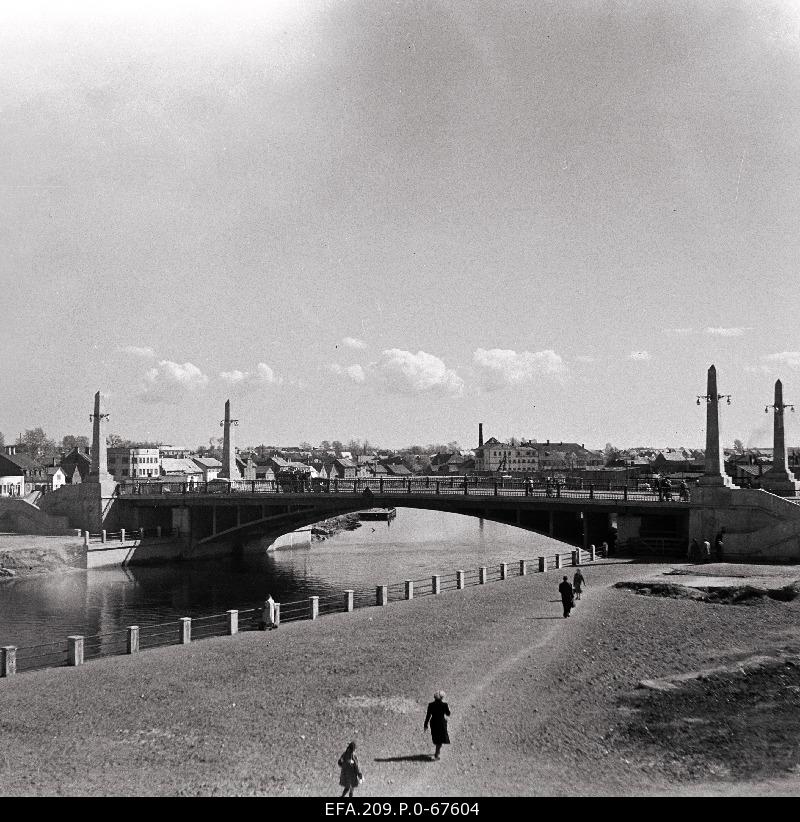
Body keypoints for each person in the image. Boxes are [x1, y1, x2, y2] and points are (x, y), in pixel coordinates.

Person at [424, 690, 451, 760]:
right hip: (441, 723)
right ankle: (437, 754)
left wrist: (425, 724)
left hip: (433, 723)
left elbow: (428, 715)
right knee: (440, 739)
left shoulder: (431, 705)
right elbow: (448, 714)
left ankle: (437, 752)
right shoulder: (444, 705)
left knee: (436, 738)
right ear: (442, 697)